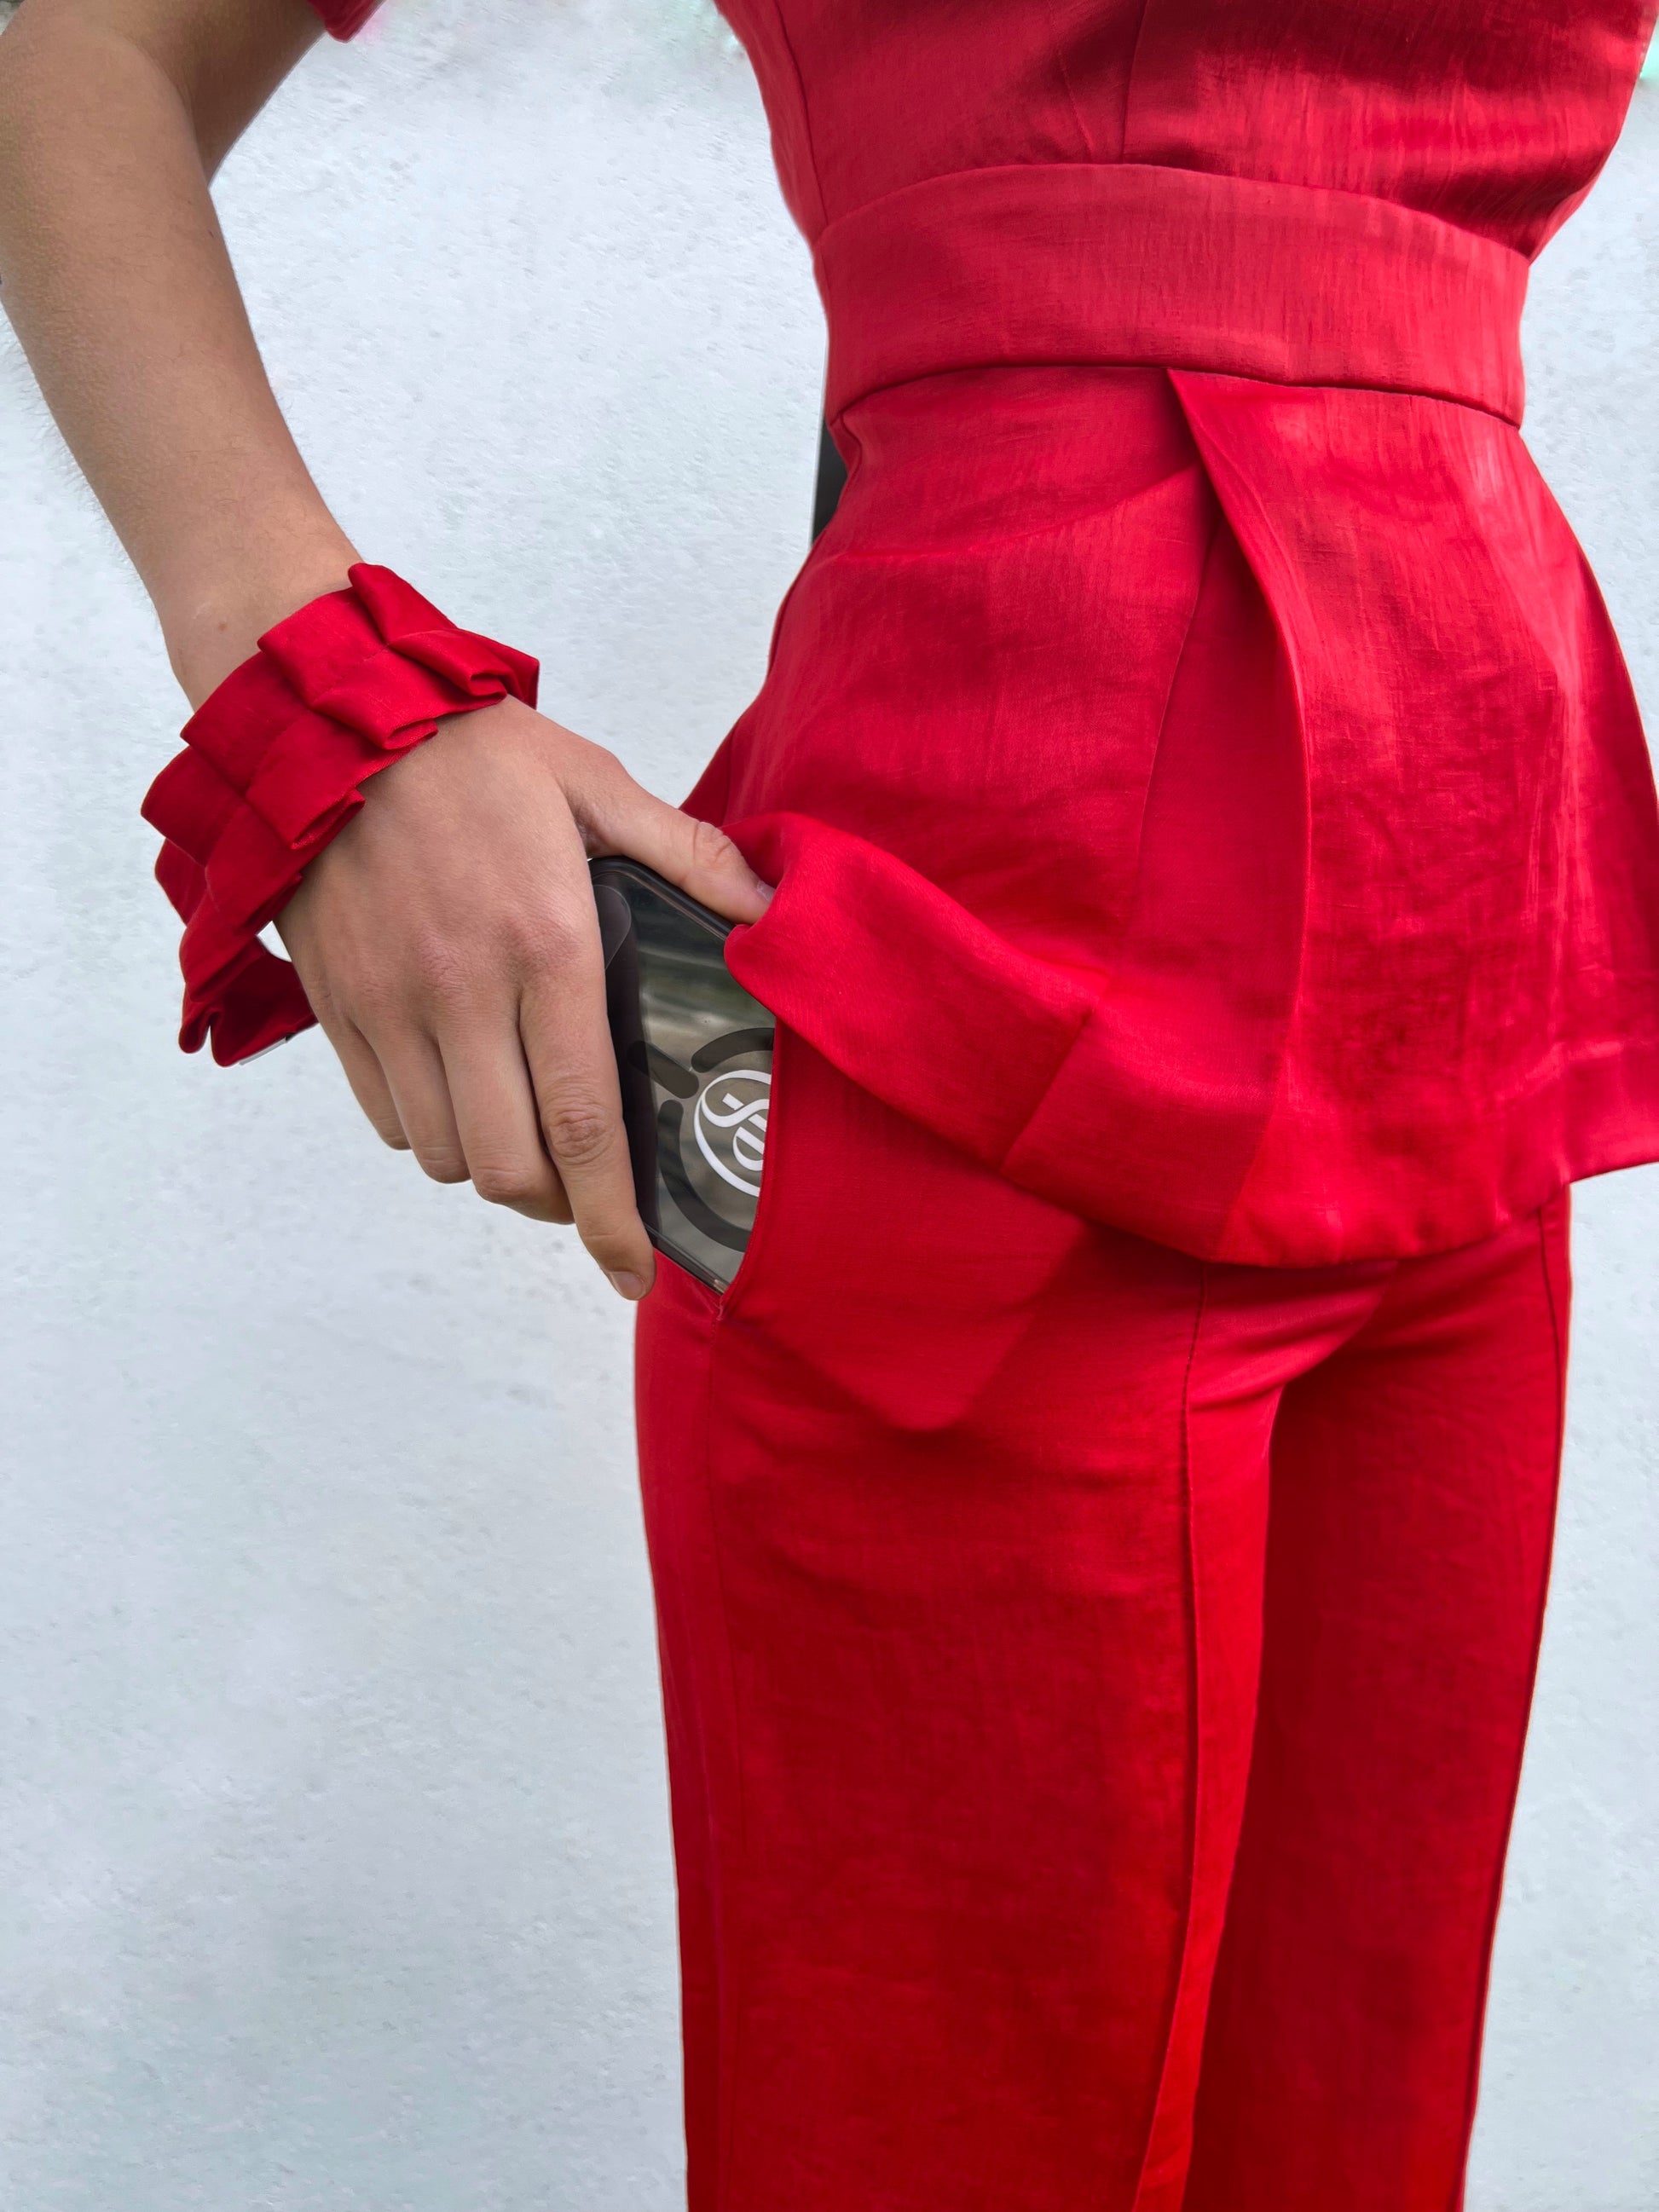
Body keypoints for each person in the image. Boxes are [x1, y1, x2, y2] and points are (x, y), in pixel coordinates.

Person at [1, 1, 1656, 2206]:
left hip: (1466, 953)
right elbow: (74, 47)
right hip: (997, 1017)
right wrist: (323, 701)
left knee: (1354, 2148)